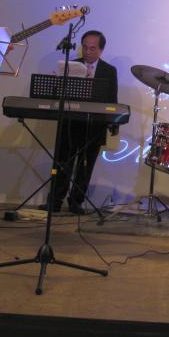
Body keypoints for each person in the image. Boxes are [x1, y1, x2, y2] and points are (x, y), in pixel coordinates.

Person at [49, 30, 119, 215]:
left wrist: (113, 122)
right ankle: (55, 201)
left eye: (92, 48)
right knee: (63, 163)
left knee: (85, 167)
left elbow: (112, 99)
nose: (87, 52)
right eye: (85, 47)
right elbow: (59, 95)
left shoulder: (109, 71)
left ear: (101, 50)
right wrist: (57, 83)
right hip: (71, 123)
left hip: (94, 126)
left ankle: (76, 202)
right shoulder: (71, 66)